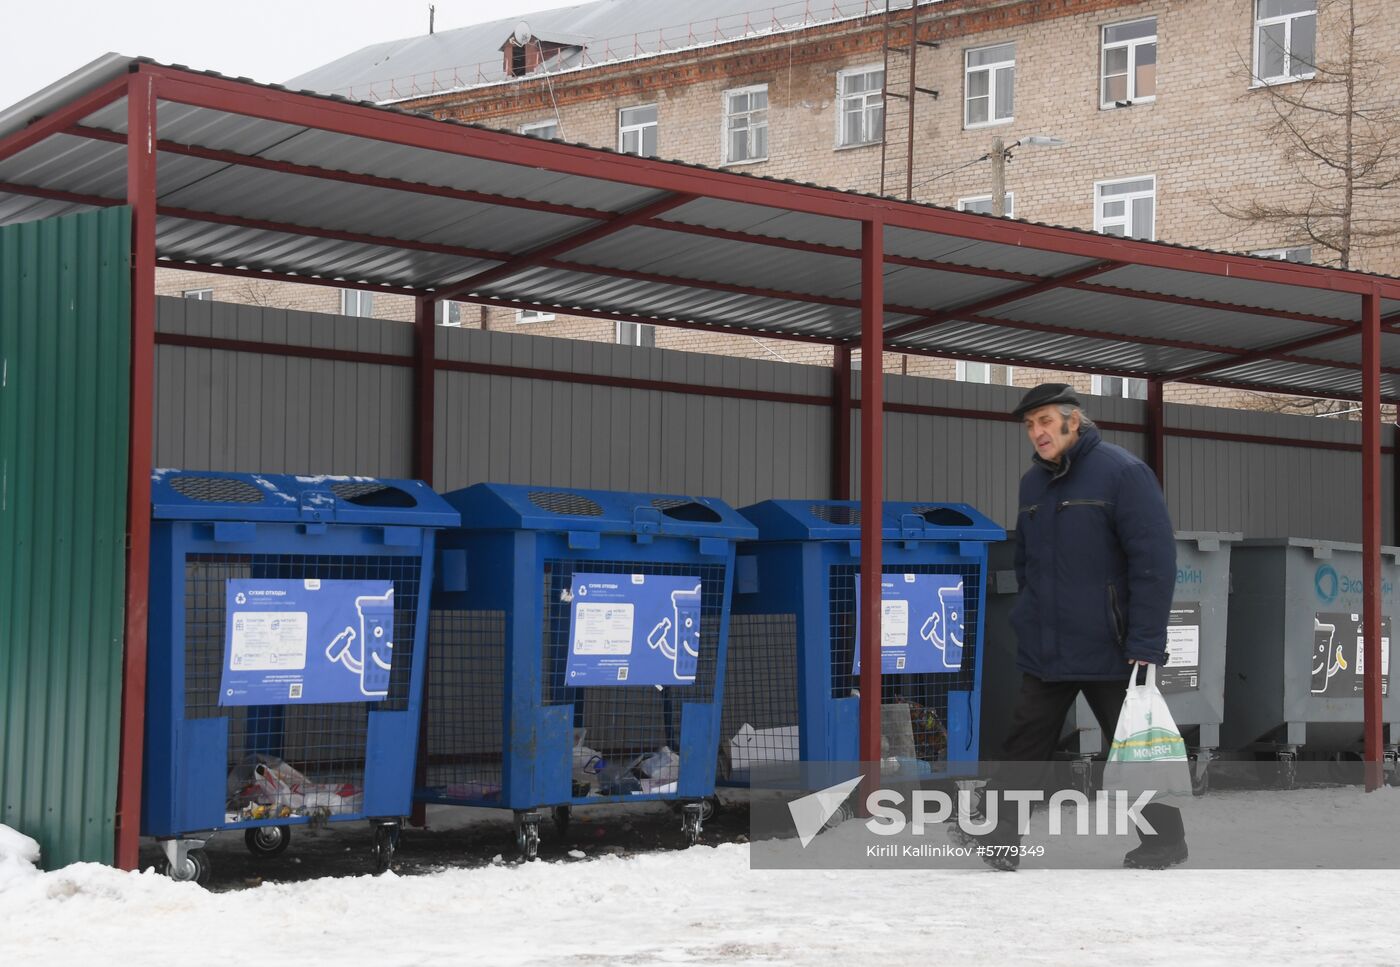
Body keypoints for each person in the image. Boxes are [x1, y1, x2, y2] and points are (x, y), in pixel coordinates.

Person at [974, 382, 1187, 870]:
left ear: (1075, 419)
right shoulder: (1033, 483)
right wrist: (1029, 616)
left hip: (1111, 646)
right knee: (1025, 741)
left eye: (1045, 421)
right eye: (1030, 426)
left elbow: (1154, 564)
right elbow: (1028, 561)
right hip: (1048, 645)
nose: (1037, 433)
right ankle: (999, 837)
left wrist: (1147, 643)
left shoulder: (1124, 474)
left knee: (1131, 745)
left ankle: (1165, 840)